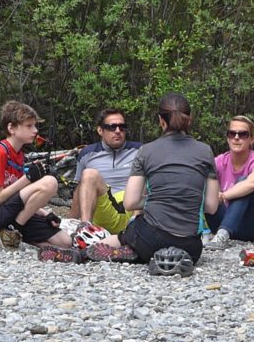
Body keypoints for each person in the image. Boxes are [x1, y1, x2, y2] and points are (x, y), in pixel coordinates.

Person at [83, 92, 219, 268]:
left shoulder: (146, 151)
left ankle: (87, 251)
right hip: (191, 248)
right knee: (146, 235)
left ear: (161, 121)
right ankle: (143, 253)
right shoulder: (206, 151)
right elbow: (211, 206)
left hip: (151, 240)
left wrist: (157, 198)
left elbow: (130, 203)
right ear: (189, 119)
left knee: (129, 232)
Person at [0, 101, 77, 254]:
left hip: (11, 211)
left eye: (35, 126)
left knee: (65, 242)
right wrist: (28, 178)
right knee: (50, 182)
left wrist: (44, 213)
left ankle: (7, 235)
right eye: (29, 126)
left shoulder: (19, 155)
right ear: (11, 128)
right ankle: (10, 231)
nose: (35, 131)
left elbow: (21, 195)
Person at [204, 115, 254, 250]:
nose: (236, 137)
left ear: (251, 139)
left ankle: (222, 235)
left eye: (243, 134)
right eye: (232, 133)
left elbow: (252, 183)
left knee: (243, 182)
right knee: (205, 187)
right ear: (227, 137)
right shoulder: (219, 161)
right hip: (228, 224)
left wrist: (223, 196)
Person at [68, 109, 141, 234]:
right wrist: (70, 222)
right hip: (104, 211)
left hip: (132, 211)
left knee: (147, 172)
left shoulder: (140, 150)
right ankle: (85, 230)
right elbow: (79, 191)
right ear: (100, 130)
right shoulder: (87, 154)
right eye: (112, 127)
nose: (118, 131)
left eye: (122, 127)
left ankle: (136, 230)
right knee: (89, 174)